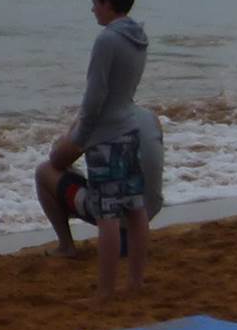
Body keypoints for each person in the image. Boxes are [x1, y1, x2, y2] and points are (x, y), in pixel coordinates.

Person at [42, 0, 150, 298]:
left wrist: (81, 136)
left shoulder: (107, 40)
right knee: (135, 209)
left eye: (95, 3)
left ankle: (105, 291)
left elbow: (94, 96)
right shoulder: (138, 36)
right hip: (129, 129)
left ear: (108, 3)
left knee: (107, 215)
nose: (93, 9)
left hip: (106, 136)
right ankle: (135, 282)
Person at [37, 105, 165, 261]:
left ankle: (66, 246)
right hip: (148, 207)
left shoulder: (94, 121)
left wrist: (68, 135)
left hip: (114, 212)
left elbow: (57, 160)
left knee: (44, 172)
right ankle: (129, 236)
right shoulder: (150, 117)